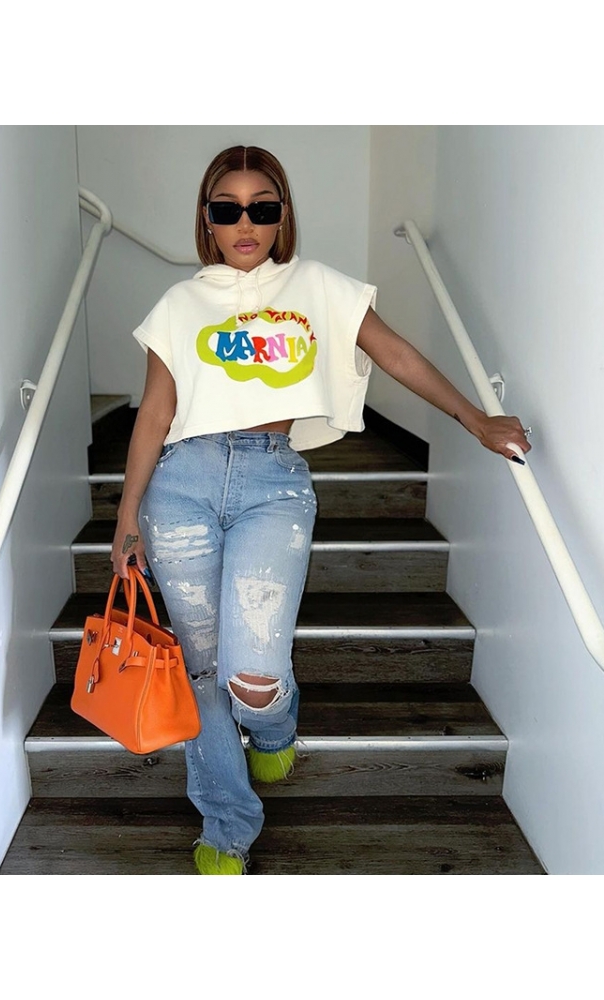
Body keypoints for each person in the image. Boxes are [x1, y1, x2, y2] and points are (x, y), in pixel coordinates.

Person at [110, 145, 530, 875]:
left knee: (254, 677)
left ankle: (275, 728)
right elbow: (154, 413)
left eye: (262, 207)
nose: (245, 223)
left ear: (282, 216)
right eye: (227, 209)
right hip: (181, 486)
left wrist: (474, 419)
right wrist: (126, 516)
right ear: (207, 221)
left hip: (272, 485)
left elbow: (396, 355)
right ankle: (227, 821)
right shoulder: (179, 305)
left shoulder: (315, 285)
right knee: (203, 673)